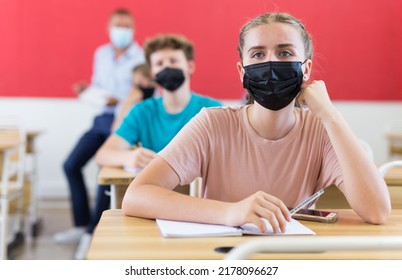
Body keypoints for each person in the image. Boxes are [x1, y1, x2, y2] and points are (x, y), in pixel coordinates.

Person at [121, 12, 391, 234]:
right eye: (258, 55)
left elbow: (377, 211)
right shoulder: (212, 124)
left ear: (306, 69)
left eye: (285, 53)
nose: (271, 62)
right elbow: (136, 196)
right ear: (242, 71)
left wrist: (330, 115)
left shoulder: (321, 130)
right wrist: (231, 211)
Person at [73, 33, 222, 259]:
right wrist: (128, 158)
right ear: (152, 73)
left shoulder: (211, 111)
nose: (166, 67)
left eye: (173, 61)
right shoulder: (143, 111)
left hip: (201, 211)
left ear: (190, 66)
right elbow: (104, 154)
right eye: (159, 63)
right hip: (152, 207)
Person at [54, 8, 145, 244]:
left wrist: (120, 99)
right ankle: (82, 224)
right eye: (118, 25)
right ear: (108, 28)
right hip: (102, 119)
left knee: (104, 173)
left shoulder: (141, 57)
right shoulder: (101, 54)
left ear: (133, 29)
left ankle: (93, 231)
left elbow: (143, 93)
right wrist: (87, 92)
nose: (122, 30)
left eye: (126, 25)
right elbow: (98, 86)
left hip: (124, 123)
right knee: (70, 165)